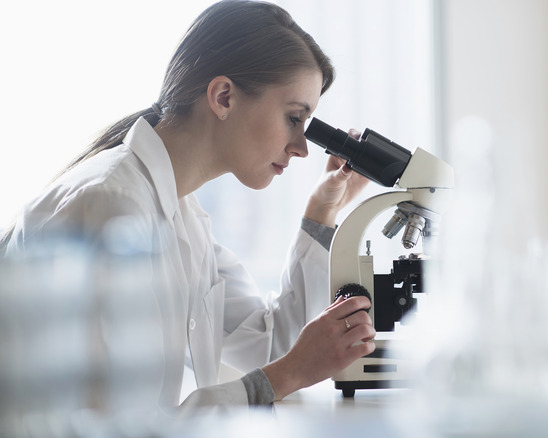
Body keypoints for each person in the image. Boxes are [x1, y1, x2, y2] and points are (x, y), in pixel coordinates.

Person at [0, 0, 376, 410]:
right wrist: (287, 375)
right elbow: (119, 427)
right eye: (293, 118)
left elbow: (271, 344)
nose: (302, 148)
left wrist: (321, 213)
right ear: (224, 97)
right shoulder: (111, 206)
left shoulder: (181, 212)